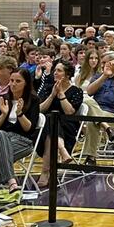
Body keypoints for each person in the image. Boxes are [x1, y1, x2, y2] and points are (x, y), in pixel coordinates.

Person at [0, 67, 40, 208]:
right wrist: (3, 114)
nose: (13, 84)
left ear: (26, 83)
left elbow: (29, 129)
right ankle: (11, 180)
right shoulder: (0, 99)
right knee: (0, 135)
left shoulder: (33, 100)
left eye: (18, 81)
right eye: (12, 80)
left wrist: (20, 113)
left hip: (22, 141)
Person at [35, 60, 81, 188]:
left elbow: (69, 112)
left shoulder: (76, 91)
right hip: (45, 128)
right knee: (50, 119)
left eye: (59, 70)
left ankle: (45, 172)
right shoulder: (47, 88)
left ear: (67, 75)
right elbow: (40, 109)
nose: (55, 73)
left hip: (67, 128)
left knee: (52, 121)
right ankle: (62, 150)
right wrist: (52, 95)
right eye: (55, 70)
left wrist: (61, 94)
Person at [81, 53, 114, 165]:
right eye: (102, 63)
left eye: (106, 63)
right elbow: (89, 92)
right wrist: (104, 76)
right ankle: (106, 127)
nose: (103, 65)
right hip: (96, 108)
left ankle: (91, 158)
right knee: (86, 99)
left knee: (92, 122)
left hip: (112, 113)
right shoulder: (98, 76)